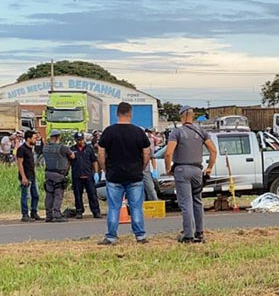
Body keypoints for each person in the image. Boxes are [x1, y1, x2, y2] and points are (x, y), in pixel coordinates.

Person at [97, 101, 152, 245]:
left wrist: (104, 169)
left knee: (114, 207)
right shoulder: (138, 132)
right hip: (135, 175)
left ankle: (111, 237)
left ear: (117, 114)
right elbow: (147, 152)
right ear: (131, 113)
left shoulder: (109, 132)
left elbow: (101, 153)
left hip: (114, 175)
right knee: (136, 207)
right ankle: (140, 236)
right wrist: (142, 167)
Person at [165, 105, 218, 244]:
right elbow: (213, 151)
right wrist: (209, 168)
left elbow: (169, 152)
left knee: (185, 203)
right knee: (197, 201)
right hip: (197, 170)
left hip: (182, 169)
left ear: (181, 116)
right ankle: (199, 232)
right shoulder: (201, 132)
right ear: (193, 116)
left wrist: (168, 168)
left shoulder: (176, 132)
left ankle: (188, 234)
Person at [40, 129, 75, 222]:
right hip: (59, 175)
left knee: (49, 195)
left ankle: (48, 215)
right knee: (58, 195)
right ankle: (56, 214)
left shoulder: (45, 147)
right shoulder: (62, 147)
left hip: (48, 174)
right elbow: (72, 156)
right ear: (58, 137)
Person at [70, 131, 101, 219]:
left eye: (82, 139)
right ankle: (79, 211)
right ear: (76, 140)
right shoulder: (72, 149)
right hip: (77, 176)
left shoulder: (89, 149)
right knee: (78, 194)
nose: (81, 141)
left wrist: (96, 173)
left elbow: (94, 161)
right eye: (79, 140)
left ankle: (96, 211)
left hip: (88, 175)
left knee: (92, 194)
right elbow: (69, 162)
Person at [15, 130, 41, 222]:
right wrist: (23, 177)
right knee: (25, 196)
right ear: (28, 138)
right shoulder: (22, 149)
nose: (35, 140)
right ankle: (25, 214)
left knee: (36, 195)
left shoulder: (30, 149)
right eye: (34, 138)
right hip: (26, 176)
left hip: (32, 175)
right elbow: (20, 164)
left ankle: (34, 212)